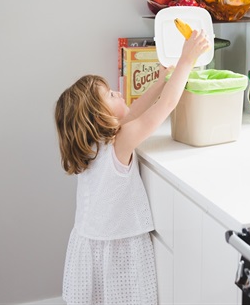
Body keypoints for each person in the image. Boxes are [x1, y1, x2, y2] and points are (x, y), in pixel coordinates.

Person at [54, 29, 210, 305]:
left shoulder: (94, 145)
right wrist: (187, 60)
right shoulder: (119, 141)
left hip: (90, 242)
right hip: (119, 244)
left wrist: (161, 80)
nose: (118, 93)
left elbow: (136, 110)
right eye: (112, 95)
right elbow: (167, 106)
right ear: (99, 115)